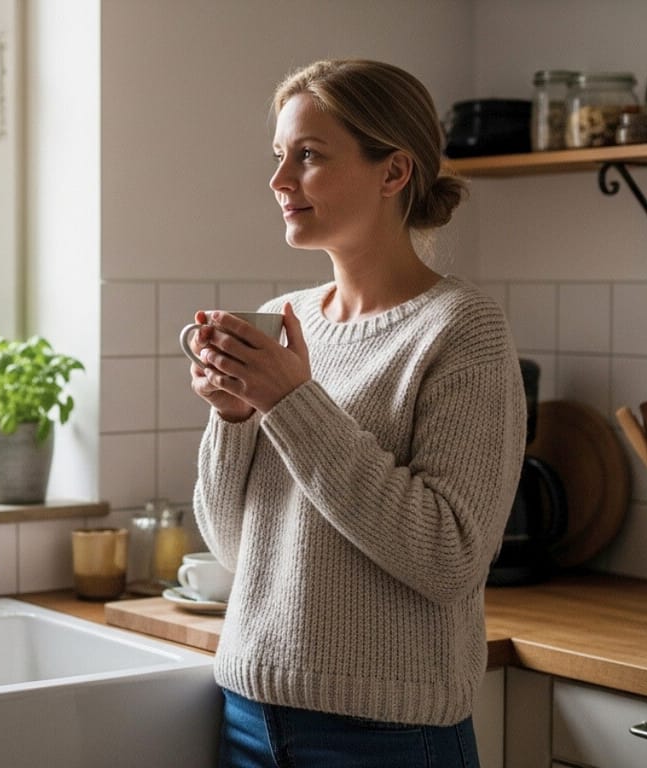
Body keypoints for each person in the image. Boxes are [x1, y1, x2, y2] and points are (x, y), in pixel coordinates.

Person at [186, 59, 526, 767]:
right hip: (249, 714)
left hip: (389, 734)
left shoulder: (461, 329)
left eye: (307, 156)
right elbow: (234, 550)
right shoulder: (287, 319)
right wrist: (235, 419)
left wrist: (289, 402)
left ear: (393, 172)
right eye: (281, 157)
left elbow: (450, 557)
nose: (280, 182)